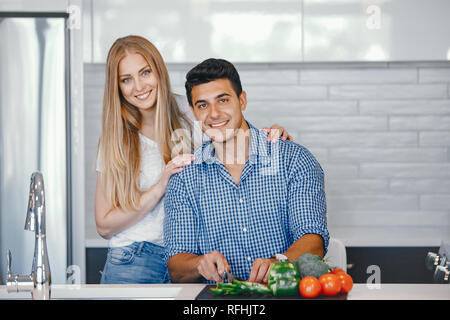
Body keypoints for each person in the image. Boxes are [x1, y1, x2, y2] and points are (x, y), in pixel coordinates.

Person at [94, 35, 293, 284]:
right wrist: (159, 187)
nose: (139, 86)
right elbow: (104, 225)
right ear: (118, 86)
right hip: (135, 259)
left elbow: (232, 135)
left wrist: (269, 134)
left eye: (145, 73)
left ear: (159, 71)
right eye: (126, 79)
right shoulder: (114, 138)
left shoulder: (190, 113)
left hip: (191, 260)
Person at [164, 58, 329, 283]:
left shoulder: (294, 160)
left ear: (242, 100)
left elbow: (314, 240)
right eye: (203, 105)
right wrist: (198, 263)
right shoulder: (184, 177)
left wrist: (279, 262)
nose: (213, 114)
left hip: (284, 295)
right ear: (193, 111)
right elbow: (176, 266)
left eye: (222, 100)